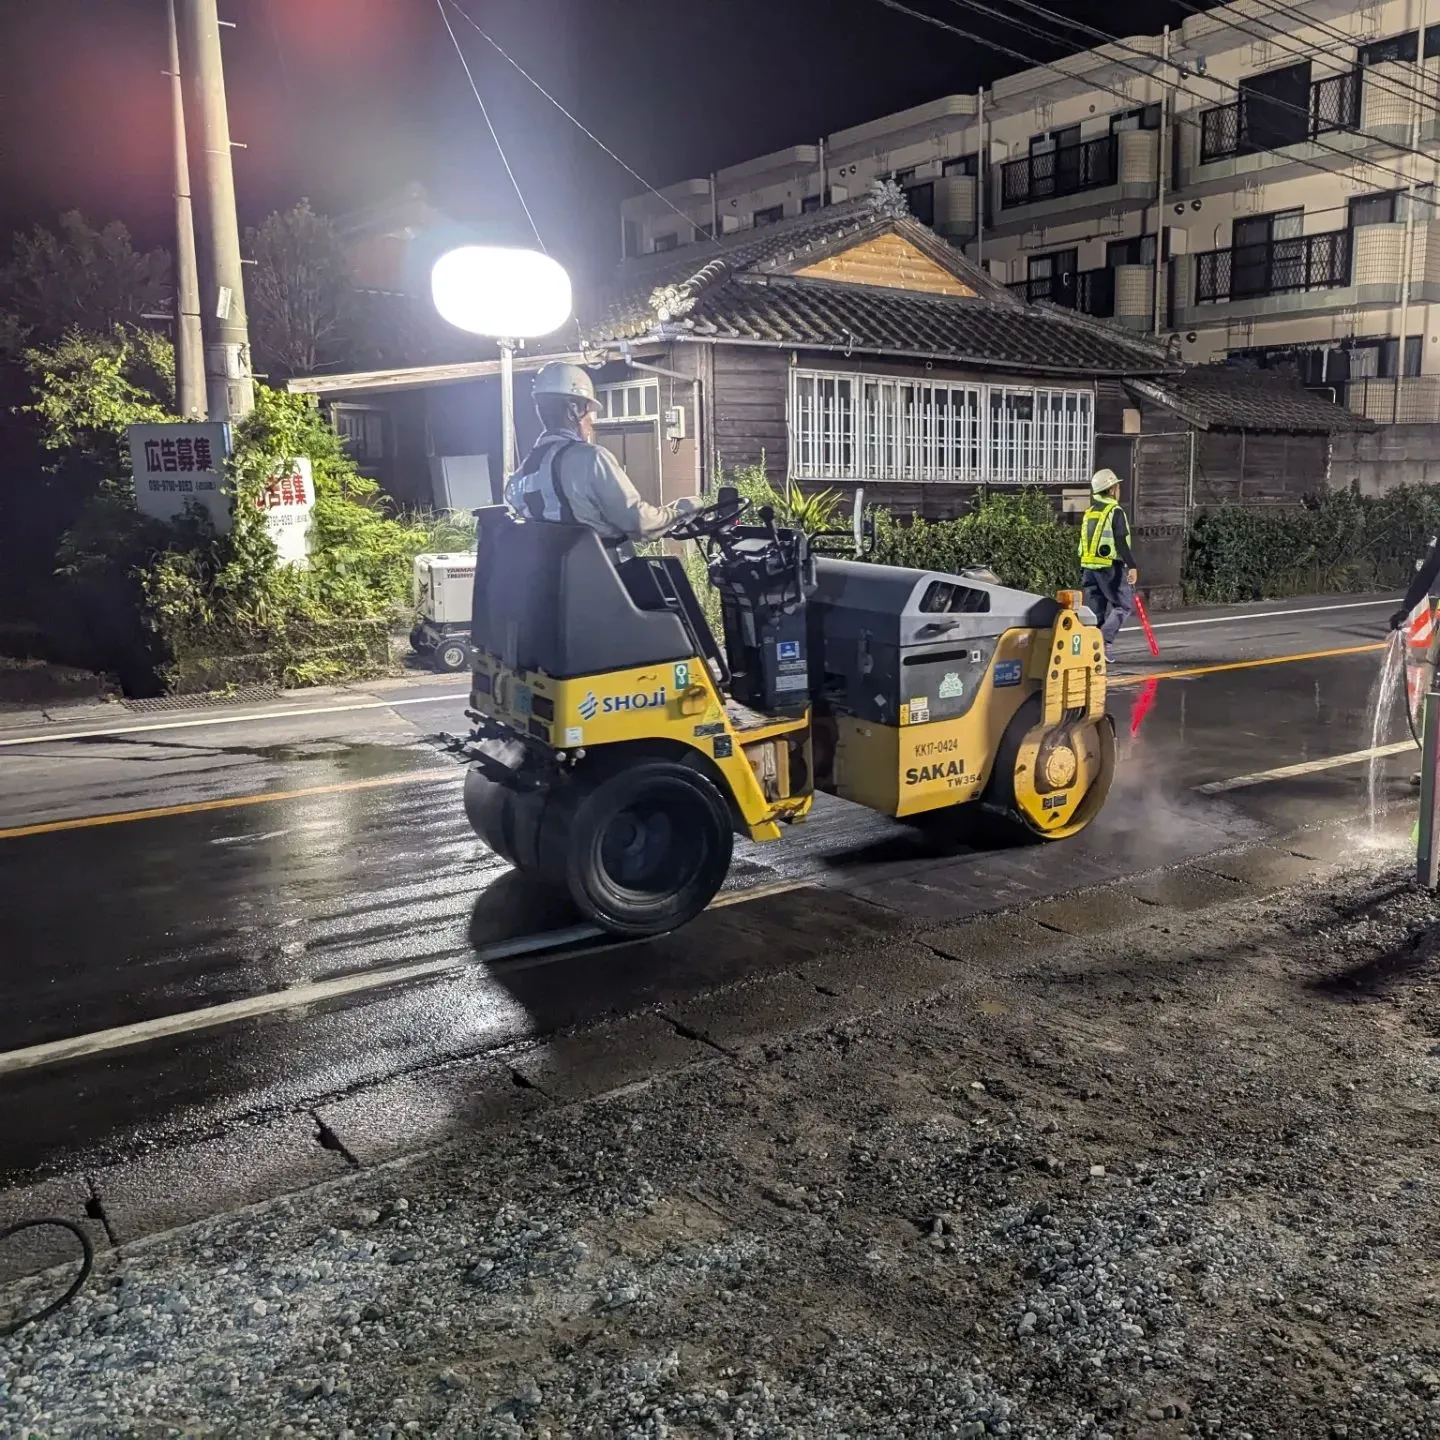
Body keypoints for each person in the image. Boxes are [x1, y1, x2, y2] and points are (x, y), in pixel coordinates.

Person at [504, 362, 701, 546]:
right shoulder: (590, 458)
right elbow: (639, 523)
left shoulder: (521, 475)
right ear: (573, 410)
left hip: (556, 577)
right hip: (605, 572)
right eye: (589, 412)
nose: (592, 421)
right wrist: (682, 511)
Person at [1077, 468, 1138, 663]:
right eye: (1117, 487)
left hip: (1088, 568)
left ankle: (1092, 650)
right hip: (1109, 568)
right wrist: (1132, 566)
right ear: (1111, 489)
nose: (1119, 490)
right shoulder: (1114, 511)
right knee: (1123, 605)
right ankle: (1104, 641)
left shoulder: (1090, 512)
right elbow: (1120, 541)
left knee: (1097, 611)